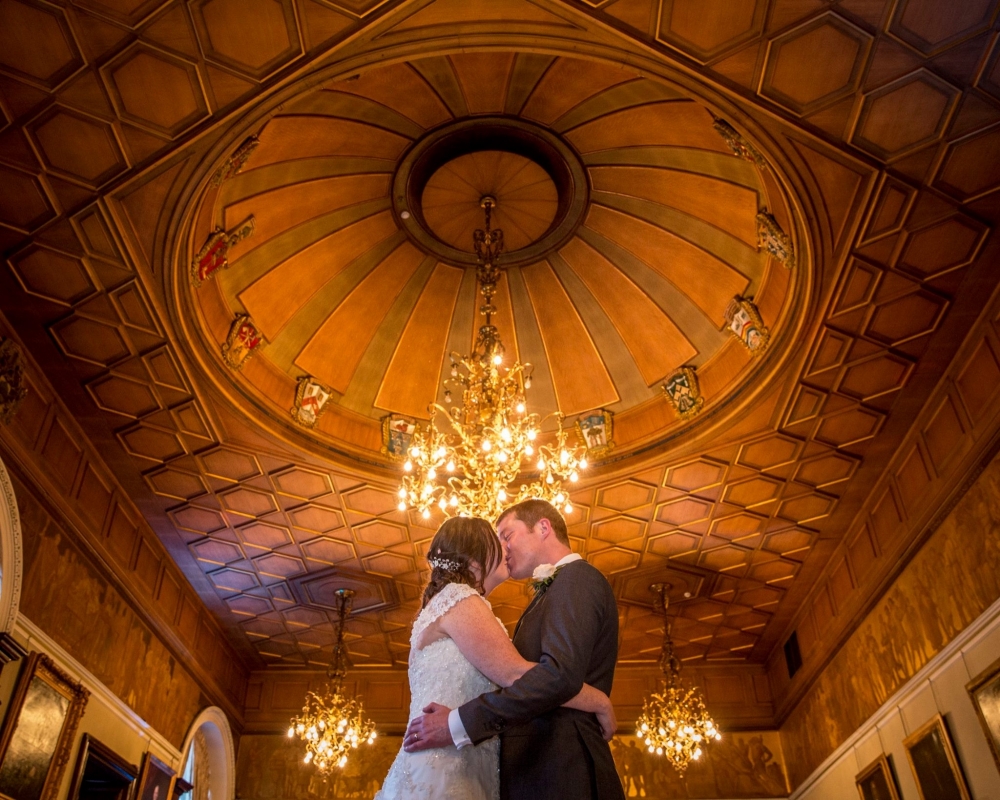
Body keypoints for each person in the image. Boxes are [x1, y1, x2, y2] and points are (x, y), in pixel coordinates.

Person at [376, 515, 615, 800]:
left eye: (507, 535)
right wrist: (598, 700)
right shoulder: (460, 599)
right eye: (497, 539)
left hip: (458, 758)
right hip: (448, 766)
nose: (505, 548)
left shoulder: (447, 603)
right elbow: (515, 674)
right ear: (475, 560)